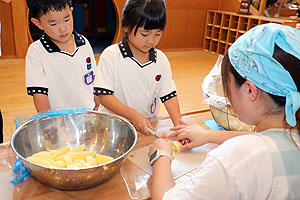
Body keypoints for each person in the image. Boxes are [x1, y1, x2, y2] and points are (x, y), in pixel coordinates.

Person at [148, 23, 300, 200]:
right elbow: (270, 139)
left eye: (226, 84)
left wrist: (161, 156)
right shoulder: (290, 132)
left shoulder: (236, 159)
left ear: (250, 90)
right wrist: (208, 136)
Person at [94, 0, 181, 135]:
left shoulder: (161, 60)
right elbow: (104, 97)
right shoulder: (111, 55)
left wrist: (178, 126)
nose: (151, 41)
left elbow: (169, 96)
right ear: (126, 26)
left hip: (146, 126)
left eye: (157, 34)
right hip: (112, 126)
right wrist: (133, 115)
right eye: (144, 34)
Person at [25, 0, 99, 113]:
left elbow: (93, 79)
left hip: (88, 114)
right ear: (38, 23)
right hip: (58, 119)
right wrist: (49, 121)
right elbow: (39, 94)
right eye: (53, 24)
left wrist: (97, 105)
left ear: (71, 12)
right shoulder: (36, 51)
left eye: (67, 19)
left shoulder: (84, 43)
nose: (63, 29)